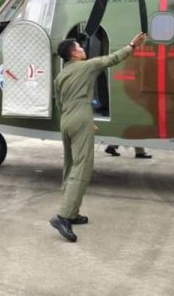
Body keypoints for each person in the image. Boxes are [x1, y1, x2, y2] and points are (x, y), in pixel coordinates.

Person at [49, 31, 148, 242]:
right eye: (80, 47)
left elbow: (59, 103)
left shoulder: (61, 76)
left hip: (66, 120)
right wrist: (132, 45)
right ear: (73, 54)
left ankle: (73, 213)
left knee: (70, 165)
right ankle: (63, 216)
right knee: (82, 168)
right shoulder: (87, 66)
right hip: (80, 117)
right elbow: (111, 59)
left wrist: (81, 120)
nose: (84, 49)